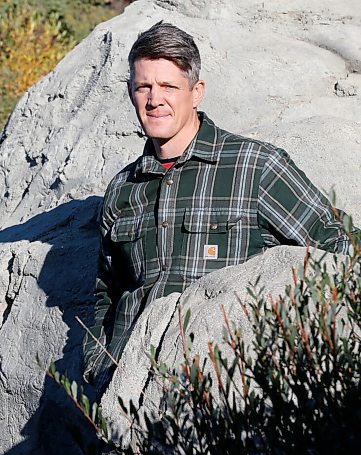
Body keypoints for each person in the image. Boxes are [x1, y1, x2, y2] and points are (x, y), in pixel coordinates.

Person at [82, 21, 356, 395]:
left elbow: (340, 249)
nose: (154, 99)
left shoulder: (255, 167)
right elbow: (106, 294)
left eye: (168, 87)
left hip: (224, 392)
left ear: (197, 93)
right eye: (143, 86)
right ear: (130, 91)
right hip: (126, 395)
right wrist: (98, 367)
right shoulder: (122, 189)